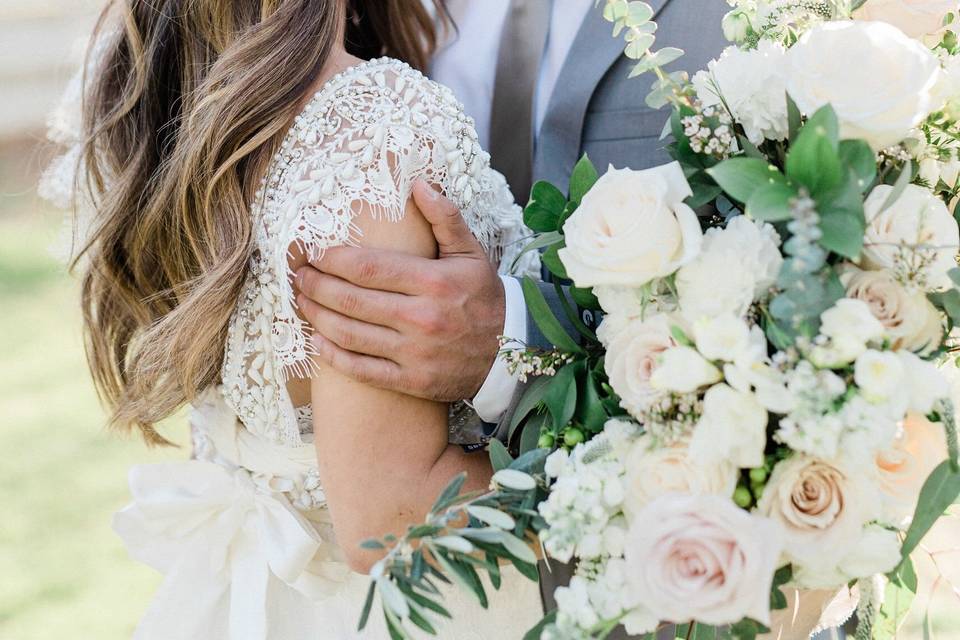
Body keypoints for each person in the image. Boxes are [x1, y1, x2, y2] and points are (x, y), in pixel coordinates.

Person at [293, 1, 850, 638]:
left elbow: (833, 288)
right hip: (418, 588)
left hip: (689, 589)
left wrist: (514, 343)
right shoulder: (365, 28)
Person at [42, 1, 545, 638]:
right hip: (407, 609)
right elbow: (394, 512)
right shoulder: (370, 121)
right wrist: (636, 472)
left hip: (263, 600)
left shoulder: (154, 86)